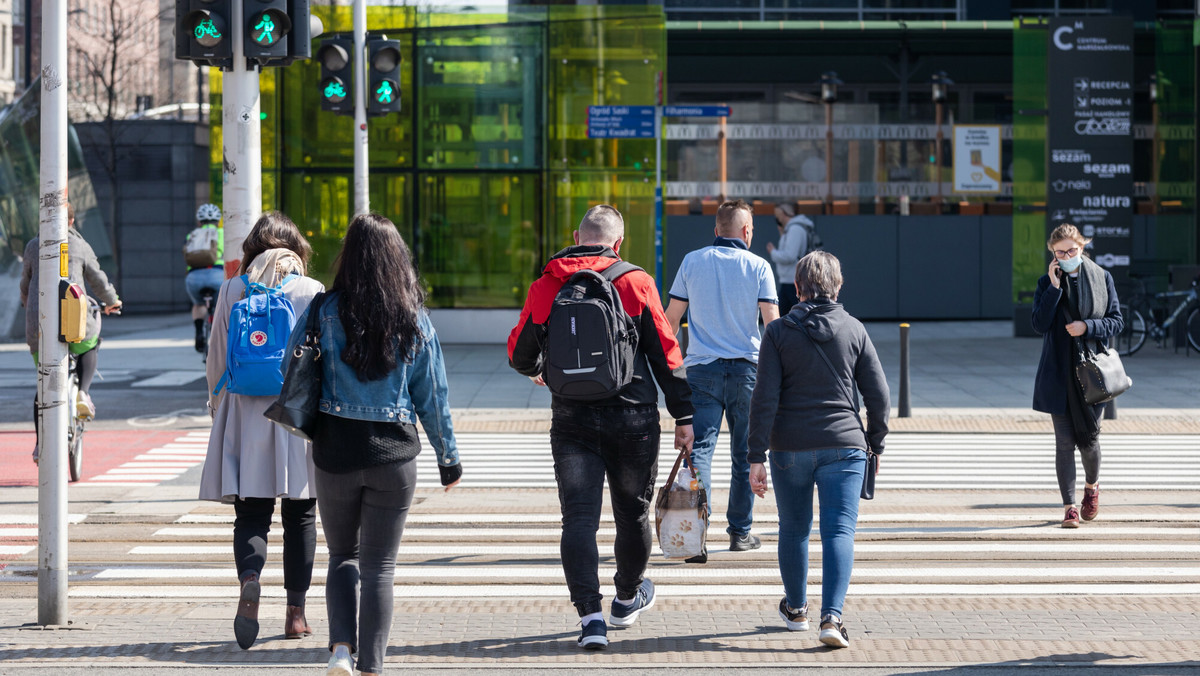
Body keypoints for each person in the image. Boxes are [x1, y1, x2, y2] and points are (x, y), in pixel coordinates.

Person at [508, 204, 695, 651]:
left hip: (571, 419)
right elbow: (666, 354)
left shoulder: (547, 285)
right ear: (618, 243)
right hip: (633, 417)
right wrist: (684, 416)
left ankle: (590, 619)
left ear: (576, 235)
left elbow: (519, 354)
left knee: (577, 519)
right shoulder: (636, 281)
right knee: (631, 515)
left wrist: (542, 367)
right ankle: (626, 598)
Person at [284, 213, 462, 676]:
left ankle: (340, 648)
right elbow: (433, 395)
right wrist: (448, 459)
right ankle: (373, 666)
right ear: (396, 259)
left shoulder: (324, 309)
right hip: (395, 456)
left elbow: (293, 364)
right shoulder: (414, 317)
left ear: (350, 256)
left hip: (335, 451)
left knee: (343, 554)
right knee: (380, 566)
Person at [747, 251, 888, 649]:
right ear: (838, 286)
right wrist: (874, 444)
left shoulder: (777, 333)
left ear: (797, 287)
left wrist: (755, 455)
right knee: (839, 530)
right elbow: (879, 396)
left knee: (793, 528)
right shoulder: (854, 329)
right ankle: (832, 618)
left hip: (789, 446)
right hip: (845, 447)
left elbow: (764, 399)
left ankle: (795, 610)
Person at [198, 212, 324, 650]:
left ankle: (250, 580)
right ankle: (296, 613)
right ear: (296, 247)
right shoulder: (311, 290)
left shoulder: (233, 288)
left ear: (252, 246)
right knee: (301, 515)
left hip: (245, 413)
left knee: (251, 513)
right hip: (296, 418)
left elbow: (216, 355)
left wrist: (218, 408)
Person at [664, 199, 778, 563]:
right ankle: (740, 533)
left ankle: (696, 539)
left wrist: (664, 367)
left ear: (716, 230)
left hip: (701, 372)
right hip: (748, 372)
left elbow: (670, 320)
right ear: (747, 232)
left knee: (699, 454)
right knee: (746, 455)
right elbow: (773, 326)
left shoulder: (692, 261)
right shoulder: (759, 266)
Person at [1031, 224, 1123, 528]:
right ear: (1052, 255)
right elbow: (1039, 324)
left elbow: (1116, 321)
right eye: (1060, 252)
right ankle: (1069, 507)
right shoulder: (1047, 283)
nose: (1067, 255)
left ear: (1082, 247)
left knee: (1089, 442)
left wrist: (1088, 327)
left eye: (1072, 250)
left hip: (1091, 374)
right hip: (1058, 373)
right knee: (1063, 443)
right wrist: (1055, 290)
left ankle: (1091, 487)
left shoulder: (1102, 278)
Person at [19, 202, 122, 462]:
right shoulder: (79, 245)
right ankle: (83, 392)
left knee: (44, 386)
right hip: (72, 321)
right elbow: (97, 279)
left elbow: (24, 284)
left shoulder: (33, 246)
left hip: (38, 327)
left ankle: (40, 443)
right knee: (91, 342)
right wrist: (112, 301)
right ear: (72, 222)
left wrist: (27, 304)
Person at [185, 203, 226, 353]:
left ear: (199, 221)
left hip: (194, 277)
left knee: (198, 304)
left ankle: (199, 332)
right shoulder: (222, 233)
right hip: (217, 275)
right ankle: (218, 336)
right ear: (218, 220)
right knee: (221, 305)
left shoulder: (192, 235)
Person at [765, 201, 815, 316]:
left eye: (778, 215)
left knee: (790, 316)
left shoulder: (795, 230)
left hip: (792, 281)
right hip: (790, 279)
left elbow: (789, 256)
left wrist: (773, 252)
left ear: (784, 213)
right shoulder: (792, 229)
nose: (777, 218)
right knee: (790, 316)